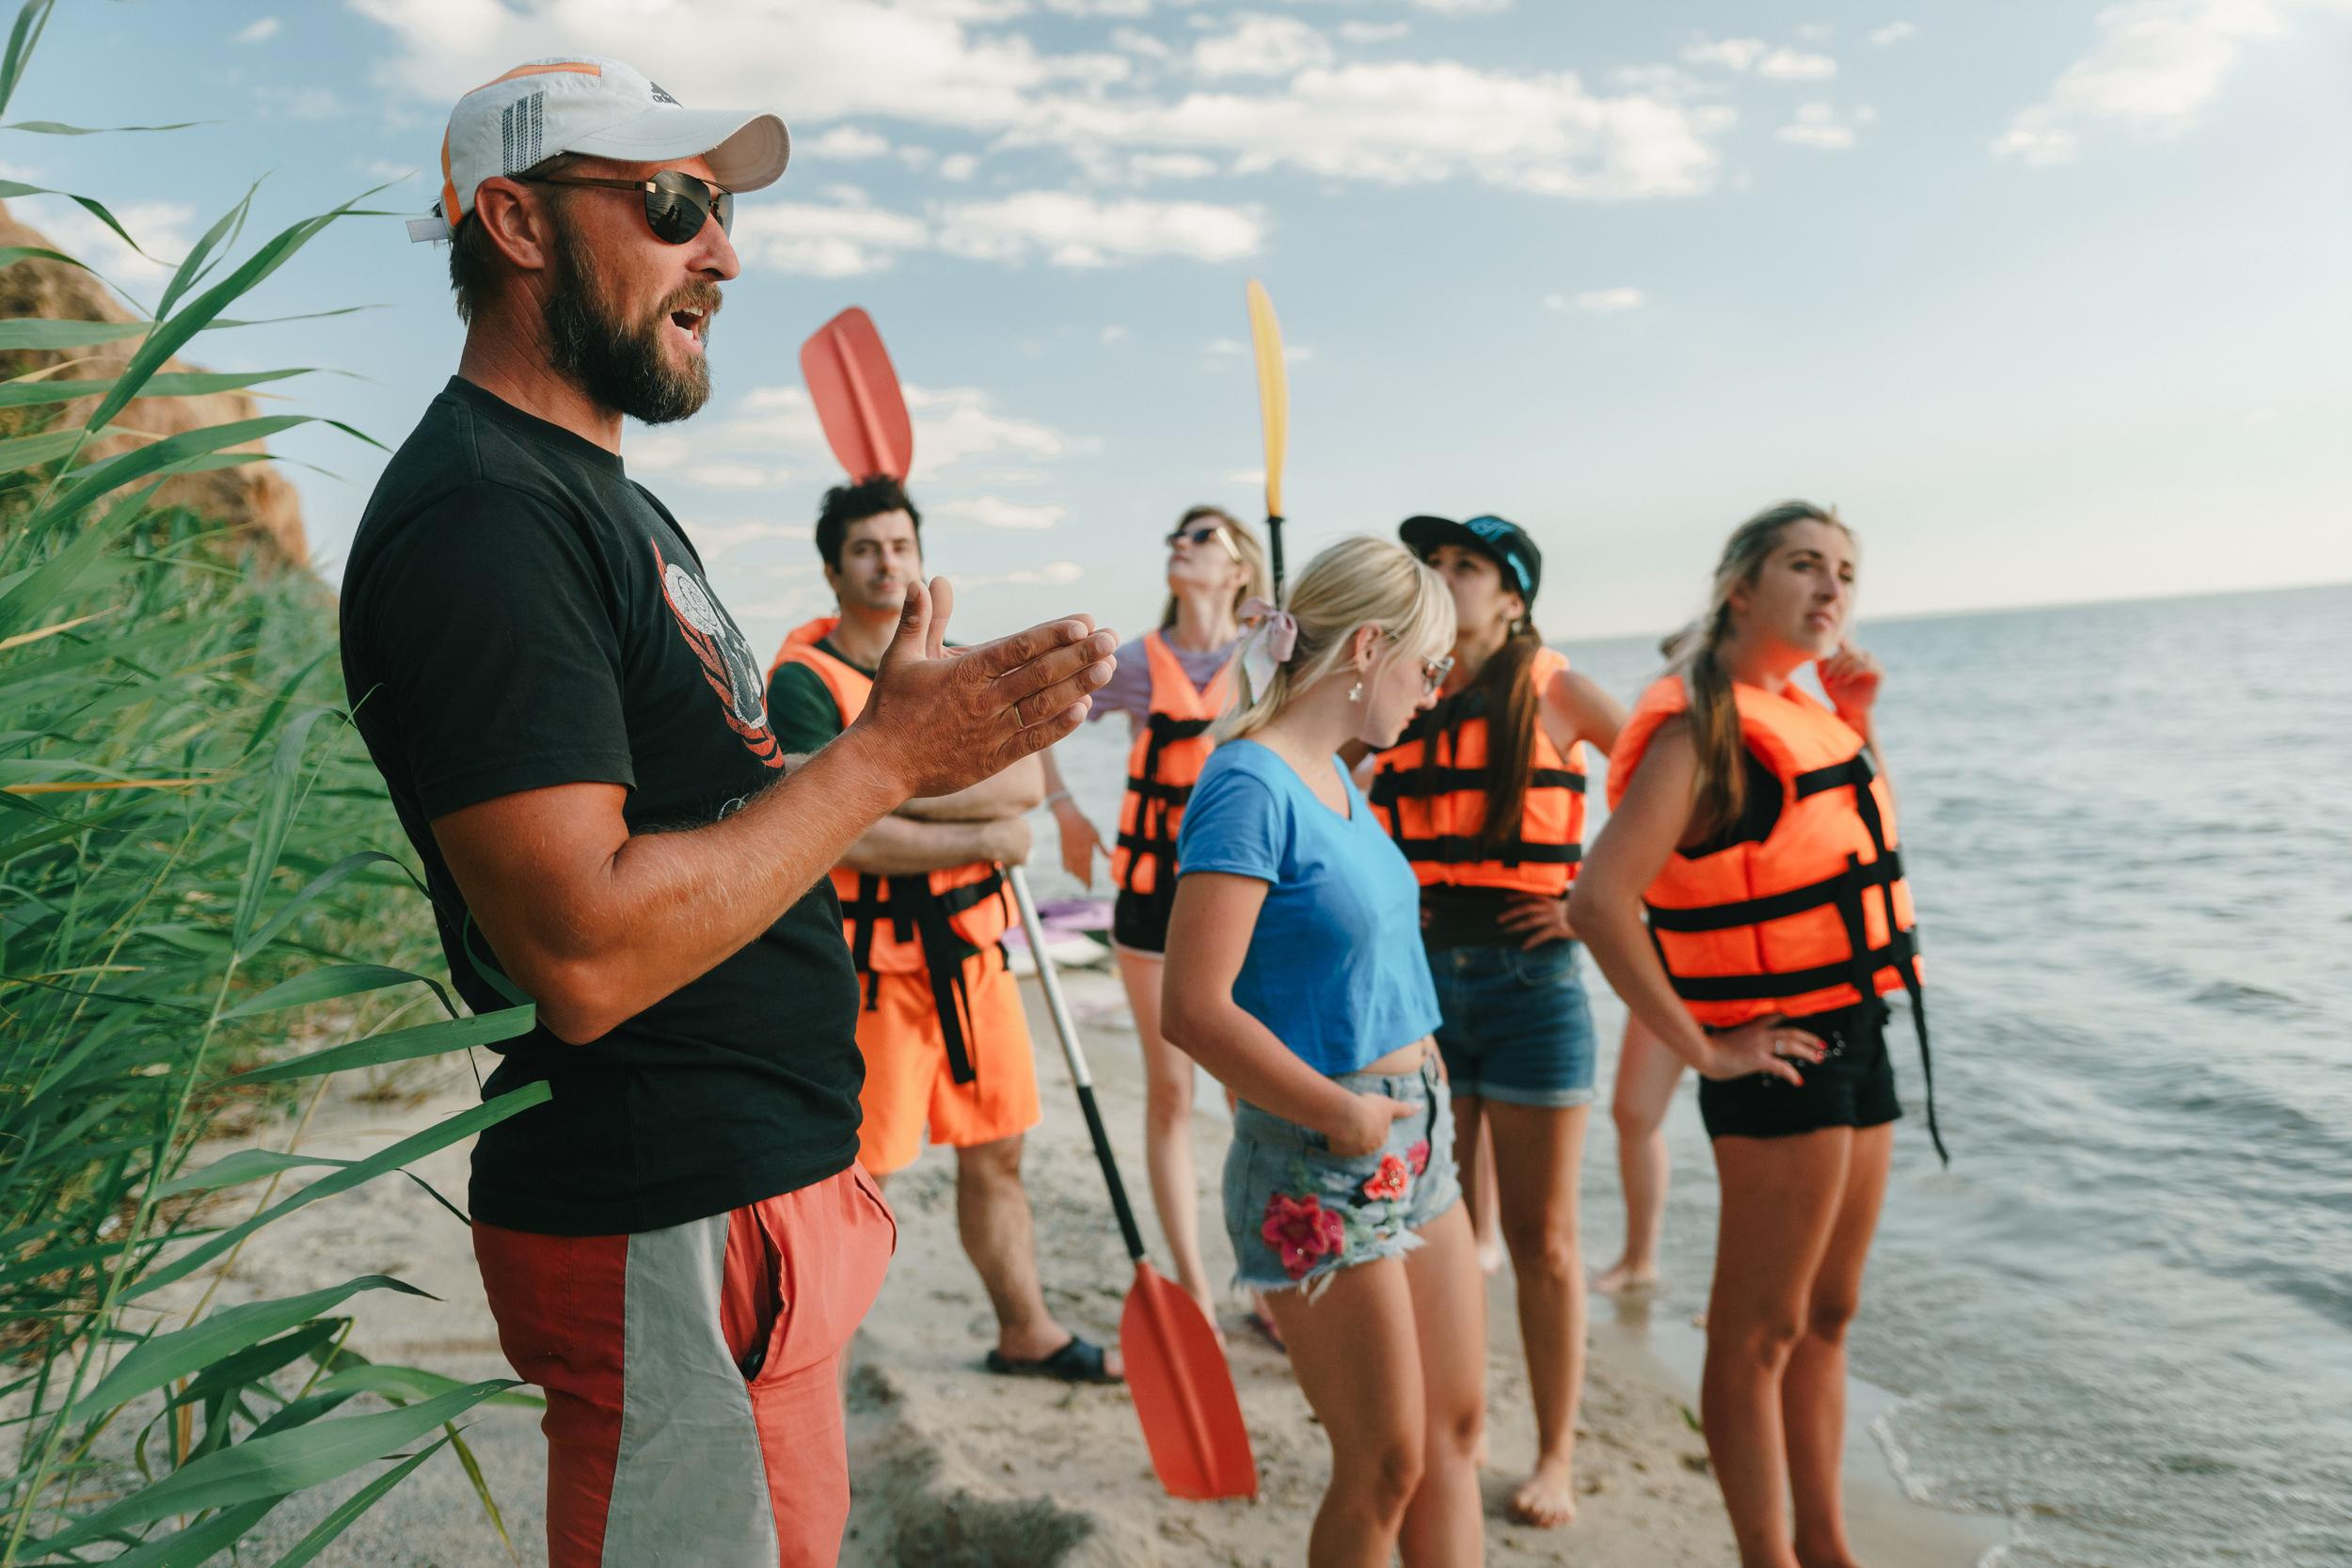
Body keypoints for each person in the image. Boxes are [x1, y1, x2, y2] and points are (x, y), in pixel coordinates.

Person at [340, 57, 1115, 1568]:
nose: (726, 252)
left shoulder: (597, 494)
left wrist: (918, 745)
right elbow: (588, 950)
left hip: (744, 1217)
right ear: (514, 219)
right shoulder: (489, 513)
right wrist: (886, 759)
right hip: (671, 1223)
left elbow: (722, 816)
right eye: (676, 203)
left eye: (726, 208)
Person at [1569, 500, 1939, 1568]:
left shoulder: (1806, 713)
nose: (1832, 590)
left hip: (1853, 1030)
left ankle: (1826, 1549)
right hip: (1777, 1048)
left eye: (1845, 573)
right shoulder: (1702, 729)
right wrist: (1701, 1045)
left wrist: (1857, 715)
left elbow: (1848, 839)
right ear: (1740, 587)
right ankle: (1765, 1557)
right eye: (1804, 566)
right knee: (1756, 1331)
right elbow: (1600, 899)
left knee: (1828, 1313)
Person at [1162, 537, 1484, 1568]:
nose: (1434, 693)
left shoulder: (1344, 780)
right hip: (1321, 1154)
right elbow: (1193, 1008)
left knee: (1455, 1432)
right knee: (1383, 1459)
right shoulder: (1248, 783)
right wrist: (1342, 1114)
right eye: (1428, 667)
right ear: (1369, 647)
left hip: (1418, 1137)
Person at [766, 477, 1121, 1386]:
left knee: (1000, 1152)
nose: (888, 563)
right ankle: (813, 1364)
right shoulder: (804, 682)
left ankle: (1026, 1330)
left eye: (900, 546)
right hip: (867, 972)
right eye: (865, 549)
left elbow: (1025, 786)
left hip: (974, 961)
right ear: (833, 571)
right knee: (858, 1175)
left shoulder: (961, 667)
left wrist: (895, 782)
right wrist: (982, 825)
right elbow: (829, 819)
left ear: (920, 558)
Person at [1364, 513, 1631, 1529]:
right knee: (1443, 1225)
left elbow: (1661, 771)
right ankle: (1452, 1430)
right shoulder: (1410, 686)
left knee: (1542, 1238)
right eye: (1429, 563)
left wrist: (1592, 899)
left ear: (1511, 596)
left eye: (1463, 566)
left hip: (1532, 982)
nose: (1440, 576)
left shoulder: (1550, 685)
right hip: (1424, 986)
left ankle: (1556, 1449)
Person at [1038, 504, 1269, 1334]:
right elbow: (1041, 714)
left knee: (1253, 1094)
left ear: (1242, 566)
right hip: (1152, 896)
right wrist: (1065, 810)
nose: (1184, 543)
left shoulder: (1270, 656)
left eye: (1205, 536)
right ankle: (1198, 1290)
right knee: (1172, 1090)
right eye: (1178, 534)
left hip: (1245, 899)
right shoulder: (1136, 663)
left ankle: (1269, 1281)